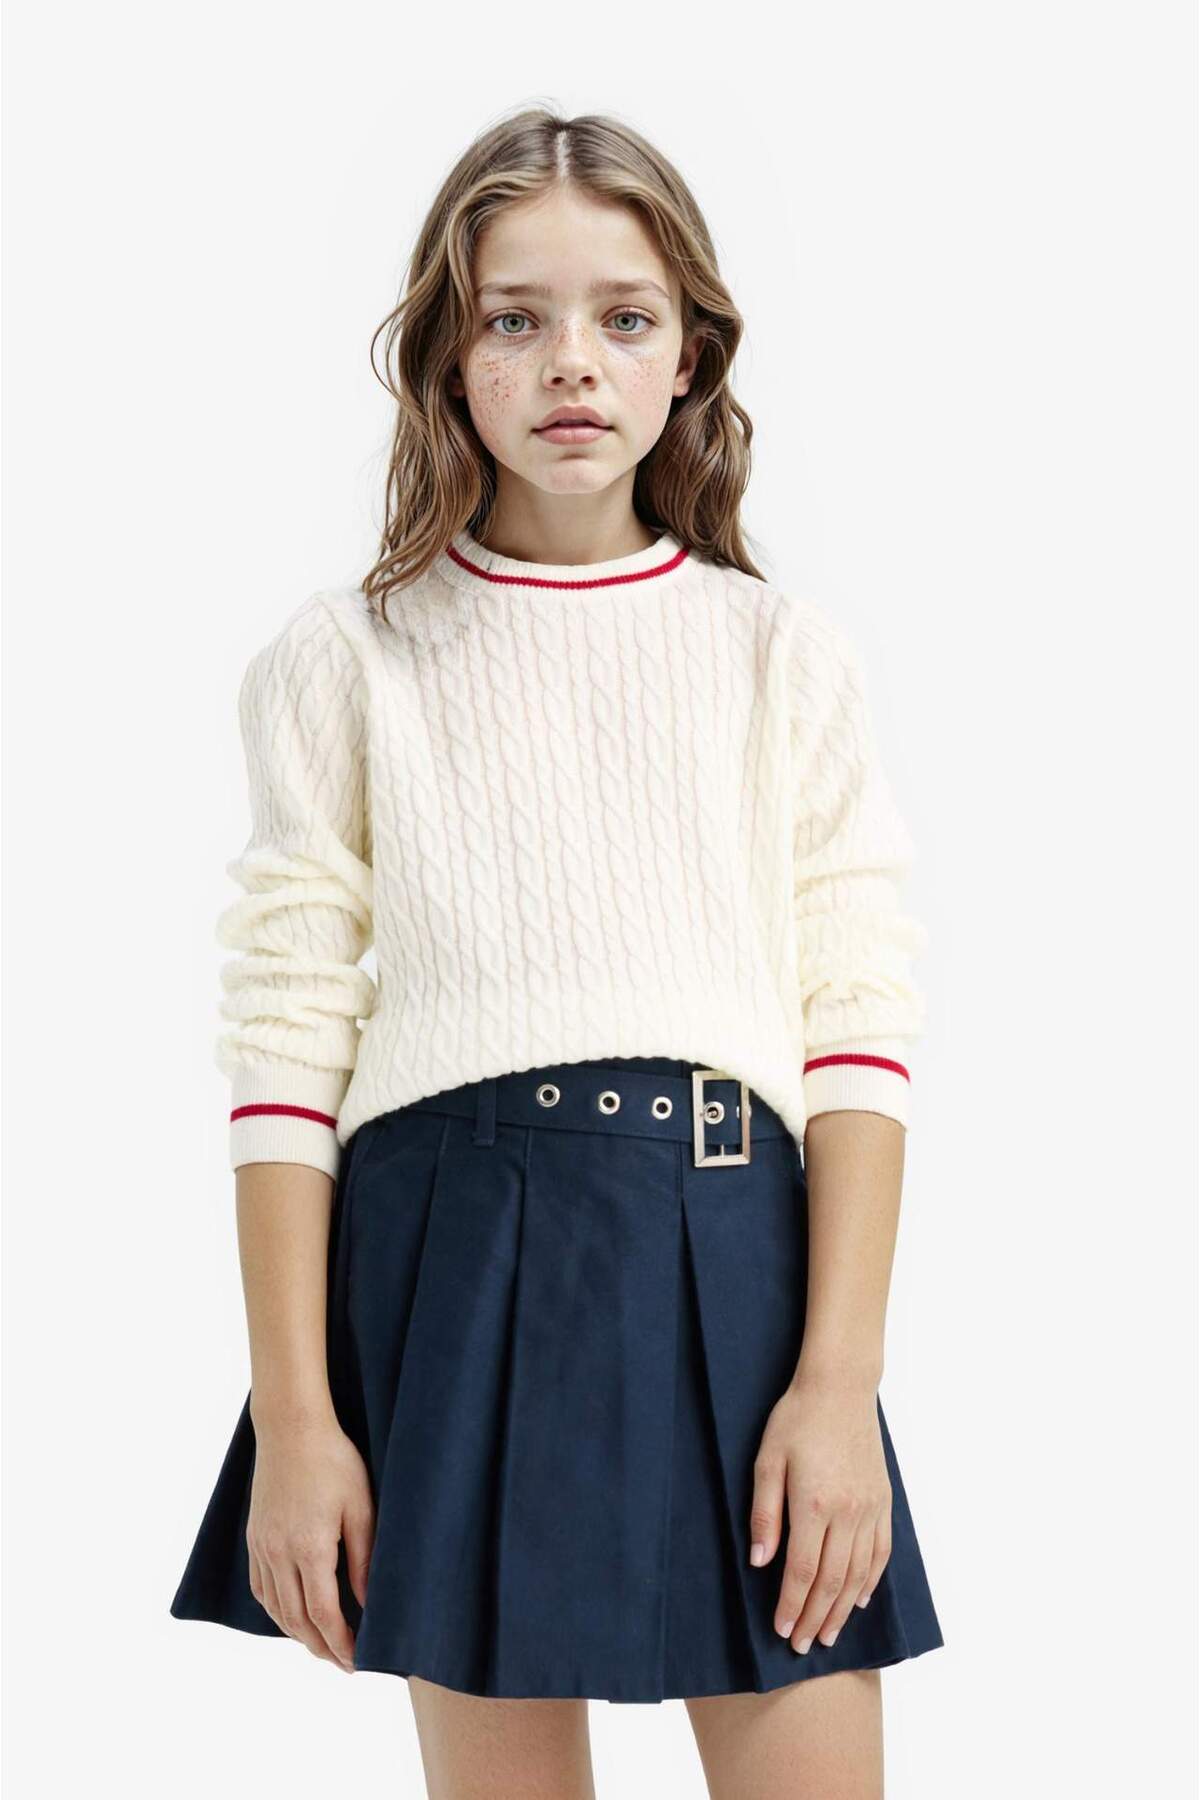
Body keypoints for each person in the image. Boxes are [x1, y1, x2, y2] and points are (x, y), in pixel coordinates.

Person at [170, 106, 944, 1799]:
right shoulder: (346, 661)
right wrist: (296, 1420)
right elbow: (285, 1041)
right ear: (449, 364)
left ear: (690, 359)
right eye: (513, 318)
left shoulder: (781, 656)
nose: (571, 362)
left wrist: (839, 1380)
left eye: (625, 316)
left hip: (740, 1253)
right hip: (456, 1253)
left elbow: (858, 1023)